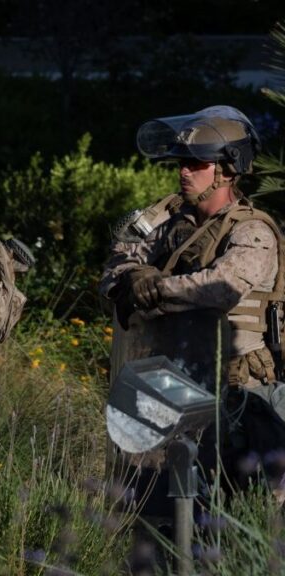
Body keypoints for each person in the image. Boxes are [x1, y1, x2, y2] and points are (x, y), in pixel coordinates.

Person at [101, 106, 285, 499]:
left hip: (238, 392)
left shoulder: (253, 231)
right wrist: (133, 277)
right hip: (171, 385)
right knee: (153, 504)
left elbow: (222, 286)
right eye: (182, 163)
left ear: (227, 170)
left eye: (196, 164)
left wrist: (156, 288)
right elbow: (116, 265)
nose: (183, 172)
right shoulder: (169, 223)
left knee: (240, 508)